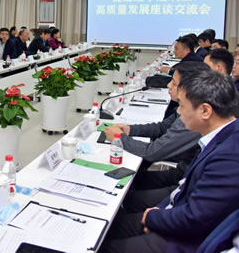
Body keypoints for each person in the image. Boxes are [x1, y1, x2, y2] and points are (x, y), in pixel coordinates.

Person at [101, 70, 239, 253]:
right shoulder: (221, 136)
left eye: (181, 106)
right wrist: (158, 211)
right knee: (106, 228)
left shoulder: (230, 155)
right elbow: (183, 190)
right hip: (173, 213)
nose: (179, 112)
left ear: (205, 111)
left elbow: (195, 218)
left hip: (185, 240)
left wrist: (154, 219)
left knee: (104, 245)